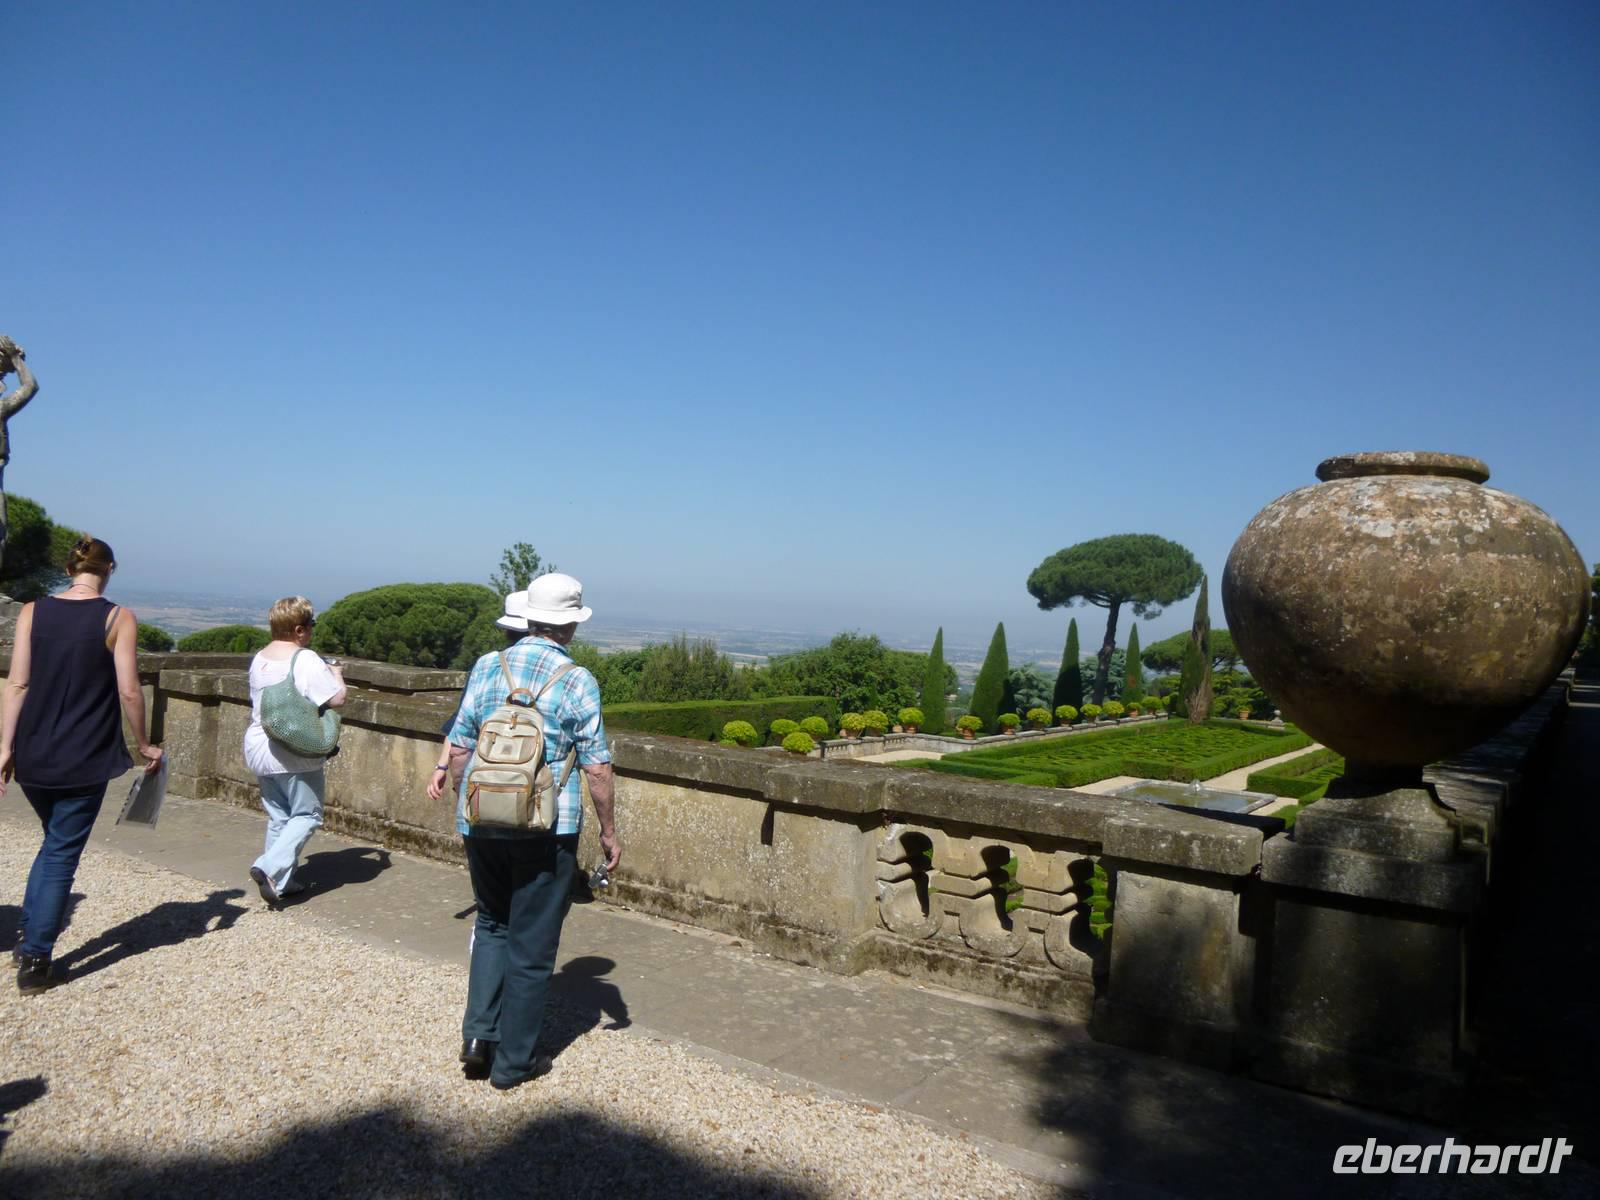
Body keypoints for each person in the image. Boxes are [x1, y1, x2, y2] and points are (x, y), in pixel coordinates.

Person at [427, 572, 620, 1088]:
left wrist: (470, 802)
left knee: (492, 925)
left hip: (480, 821)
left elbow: (462, 744)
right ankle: (514, 1063)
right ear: (571, 624)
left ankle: (477, 1038)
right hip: (546, 827)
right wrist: (609, 833)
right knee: (532, 944)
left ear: (529, 616)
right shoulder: (576, 679)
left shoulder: (489, 666)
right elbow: (597, 768)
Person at [0, 536, 163, 993]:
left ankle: (30, 934)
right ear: (109, 569)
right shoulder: (117, 618)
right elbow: (130, 691)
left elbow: (16, 684)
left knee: (52, 844)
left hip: (33, 751)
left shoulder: (33, 611)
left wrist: (4, 747)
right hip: (84, 754)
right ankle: (36, 958)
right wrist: (144, 743)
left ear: (70, 569)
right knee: (61, 853)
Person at [242, 596, 346, 906]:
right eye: (311, 625)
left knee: (279, 817)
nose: (313, 631)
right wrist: (338, 674)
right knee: (307, 815)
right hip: (293, 751)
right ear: (299, 630)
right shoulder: (305, 659)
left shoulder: (259, 658)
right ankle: (268, 866)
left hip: (259, 745)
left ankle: (280, 884)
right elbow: (336, 699)